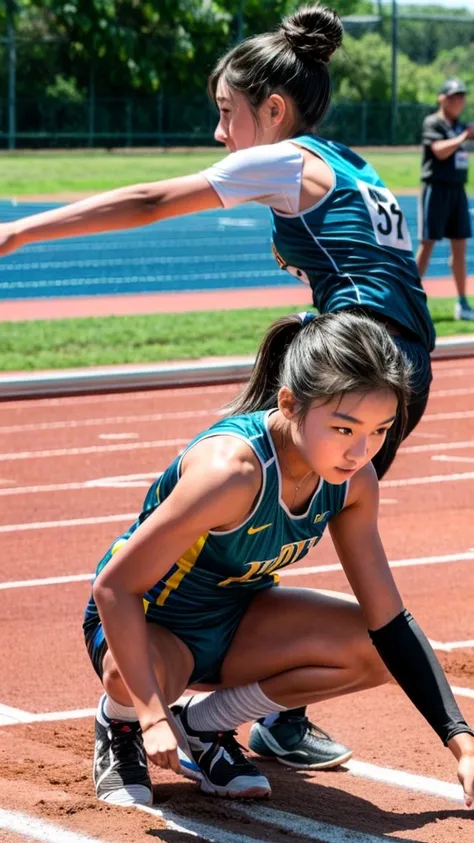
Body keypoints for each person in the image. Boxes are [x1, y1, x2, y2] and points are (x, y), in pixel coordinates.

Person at [0, 3, 436, 775]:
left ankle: (177, 665)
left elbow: (150, 200)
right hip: (394, 376)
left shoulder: (282, 156)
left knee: (254, 488)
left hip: (350, 375)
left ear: (273, 108)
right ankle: (271, 705)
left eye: (228, 114)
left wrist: (19, 232)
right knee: (292, 509)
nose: (220, 134)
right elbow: (371, 267)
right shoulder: (352, 164)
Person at [82, 310, 474, 808]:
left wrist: (463, 744)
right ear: (289, 404)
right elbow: (114, 588)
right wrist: (151, 715)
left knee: (377, 652)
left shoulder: (353, 481)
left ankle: (203, 726)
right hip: (151, 624)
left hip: (238, 619)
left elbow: (389, 621)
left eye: (379, 430)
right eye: (344, 427)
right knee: (148, 679)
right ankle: (119, 722)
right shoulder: (232, 473)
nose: (361, 450)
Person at [417, 78, 474, 321]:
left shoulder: (460, 125)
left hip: (457, 190)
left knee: (460, 247)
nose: (458, 101)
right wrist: (464, 138)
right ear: (442, 98)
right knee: (428, 244)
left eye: (461, 96)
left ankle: (462, 302)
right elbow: (439, 150)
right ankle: (411, 300)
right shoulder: (434, 122)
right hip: (436, 189)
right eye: (453, 96)